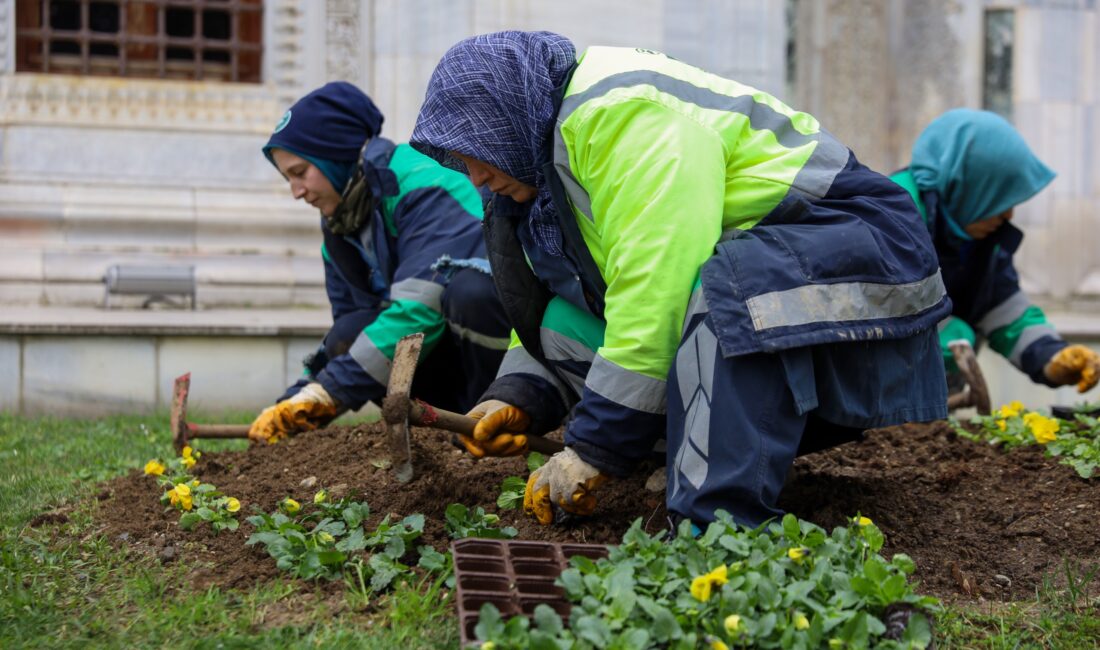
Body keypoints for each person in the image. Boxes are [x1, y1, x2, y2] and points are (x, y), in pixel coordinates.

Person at [409, 31, 952, 529]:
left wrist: (594, 447)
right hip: (773, 286)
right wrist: (520, 394)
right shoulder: (546, 164)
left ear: (507, 121)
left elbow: (660, 288)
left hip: (863, 250)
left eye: (475, 154)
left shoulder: (621, 116)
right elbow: (561, 298)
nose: (474, 177)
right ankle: (684, 465)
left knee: (726, 289)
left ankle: (717, 528)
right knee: (556, 325)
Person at [249, 82, 510, 444]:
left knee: (470, 293)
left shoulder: (424, 182)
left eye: (299, 172)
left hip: (508, 353)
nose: (296, 192)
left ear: (334, 156)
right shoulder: (341, 228)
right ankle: (441, 437)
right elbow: (354, 332)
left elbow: (421, 307)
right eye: (288, 178)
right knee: (348, 334)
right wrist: (297, 399)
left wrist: (330, 391)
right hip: (446, 356)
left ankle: (497, 420)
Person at [891, 109, 1099, 397]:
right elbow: (882, 311)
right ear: (969, 183)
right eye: (998, 198)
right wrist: (948, 337)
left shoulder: (972, 231)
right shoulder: (889, 217)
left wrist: (1053, 357)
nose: (1008, 214)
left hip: (923, 400)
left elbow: (1001, 306)